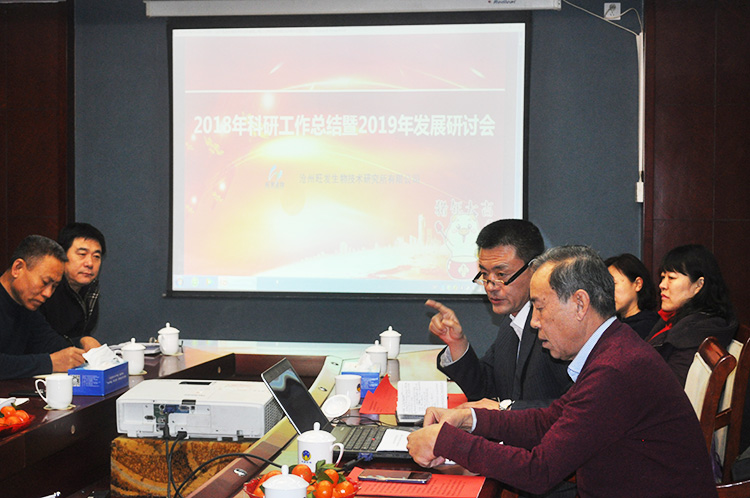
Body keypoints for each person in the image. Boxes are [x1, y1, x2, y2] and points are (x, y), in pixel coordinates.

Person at [407, 245, 718, 498]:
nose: (534, 322)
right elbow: (549, 420)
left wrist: (447, 442)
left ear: (580, 303)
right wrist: (469, 419)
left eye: (540, 307)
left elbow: (538, 471)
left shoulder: (616, 369)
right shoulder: (613, 347)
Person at [426, 219, 571, 411]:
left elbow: (574, 405)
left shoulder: (557, 326)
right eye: (485, 275)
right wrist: (457, 344)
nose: (490, 286)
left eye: (501, 275)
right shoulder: (511, 322)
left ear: (535, 269)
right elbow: (484, 389)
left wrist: (506, 409)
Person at [0, 235, 96, 379]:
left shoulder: (27, 306)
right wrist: (49, 363)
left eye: (54, 286)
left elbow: (49, 343)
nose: (48, 293)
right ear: (17, 268)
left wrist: (81, 343)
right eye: (45, 282)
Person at [647, 244, 737, 386]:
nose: (662, 285)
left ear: (699, 285)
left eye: (671, 278)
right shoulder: (679, 319)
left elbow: (670, 388)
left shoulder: (697, 331)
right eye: (663, 277)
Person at [39, 222, 105, 349]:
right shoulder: (45, 289)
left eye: (96, 256)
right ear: (62, 255)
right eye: (82, 254)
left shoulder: (90, 290)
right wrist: (79, 341)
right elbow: (38, 341)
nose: (90, 263)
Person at [604, 253, 659, 339]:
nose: (608, 291)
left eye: (613, 284)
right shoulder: (611, 324)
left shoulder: (647, 327)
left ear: (638, 284)